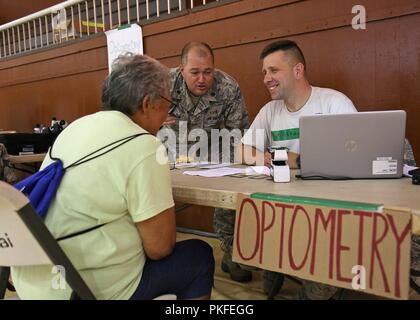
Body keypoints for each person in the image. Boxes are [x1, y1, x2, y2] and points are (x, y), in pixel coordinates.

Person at [11, 54, 214, 300]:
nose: (167, 113)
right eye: (167, 102)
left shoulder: (75, 127)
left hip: (33, 282)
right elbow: (160, 249)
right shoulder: (143, 144)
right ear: (148, 103)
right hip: (83, 291)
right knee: (199, 256)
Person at [240, 39, 358, 299]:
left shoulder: (334, 103)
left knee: (316, 293)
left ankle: (311, 278)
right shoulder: (270, 111)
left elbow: (353, 156)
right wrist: (283, 159)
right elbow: (243, 152)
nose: (266, 79)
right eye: (264, 72)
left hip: (327, 211)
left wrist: (295, 159)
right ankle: (277, 263)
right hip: (280, 210)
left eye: (273, 70)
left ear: (298, 70)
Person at [160, 41, 251, 283]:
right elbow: (136, 118)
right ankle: (156, 252)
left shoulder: (228, 88)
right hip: (168, 148)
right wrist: (157, 119)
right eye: (195, 72)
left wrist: (231, 167)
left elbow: (239, 135)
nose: (202, 79)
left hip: (212, 147)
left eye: (208, 72)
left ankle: (232, 253)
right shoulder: (161, 84)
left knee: (234, 181)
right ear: (181, 69)